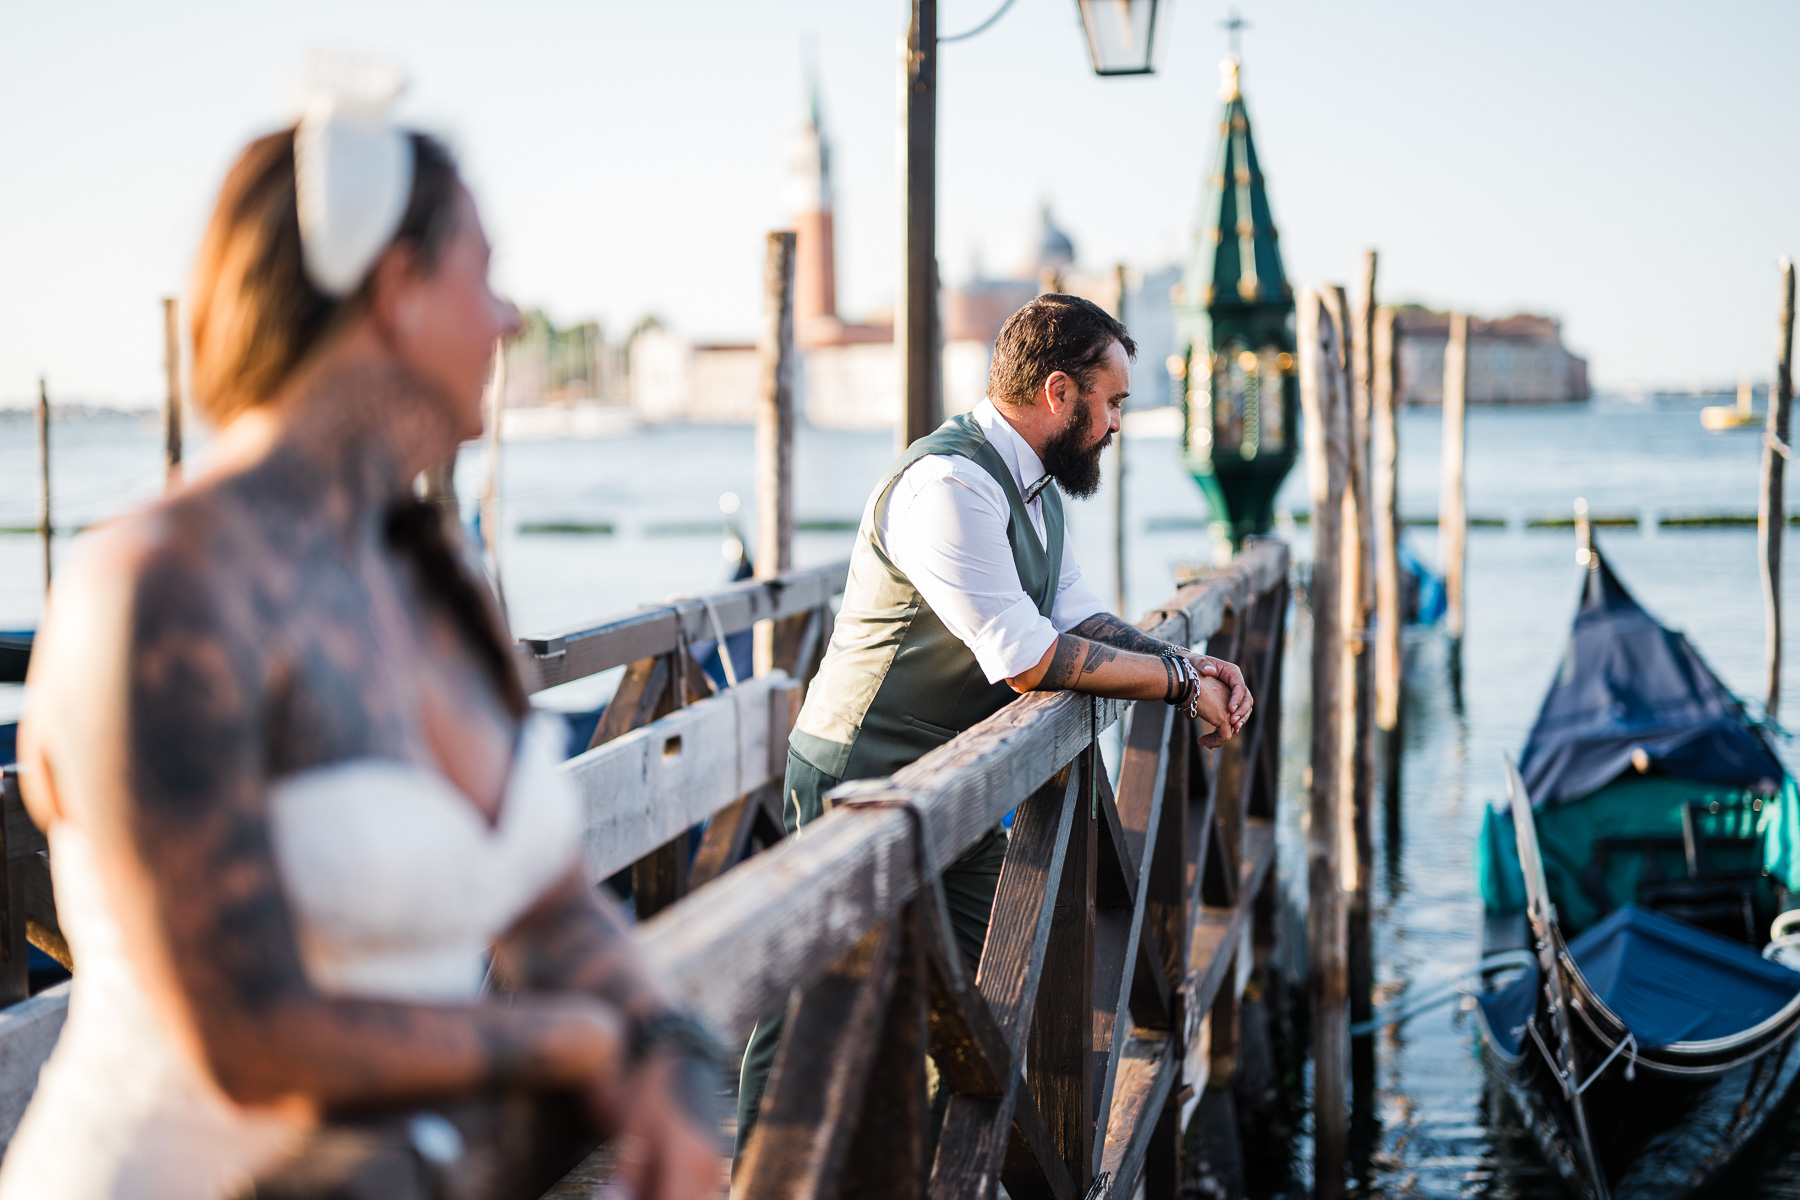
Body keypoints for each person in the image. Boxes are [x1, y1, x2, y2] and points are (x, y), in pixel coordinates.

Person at [3, 75, 723, 1200]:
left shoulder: (441, 586)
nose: (510, 319)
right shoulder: (160, 593)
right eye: (482, 276)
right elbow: (250, 1041)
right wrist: (579, 1046)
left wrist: (666, 1055)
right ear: (396, 291)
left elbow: (546, 900)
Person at [735, 293, 1253, 1155]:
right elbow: (1028, 657)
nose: (1118, 424)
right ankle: (756, 1174)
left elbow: (1080, 619)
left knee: (982, 1003)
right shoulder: (951, 484)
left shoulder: (1035, 489)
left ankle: (933, 1172)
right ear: (1059, 391)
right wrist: (1171, 684)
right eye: (1112, 402)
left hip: (956, 780)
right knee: (816, 1006)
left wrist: (1190, 664)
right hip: (855, 772)